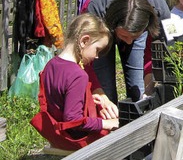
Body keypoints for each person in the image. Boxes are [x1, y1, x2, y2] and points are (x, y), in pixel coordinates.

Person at [31, 13, 119, 151]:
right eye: (97, 50)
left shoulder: (51, 64)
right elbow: (73, 120)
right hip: (76, 139)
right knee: (121, 145)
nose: (96, 56)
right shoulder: (78, 75)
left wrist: (88, 99)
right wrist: (106, 123)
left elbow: (59, 100)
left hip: (56, 134)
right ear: (84, 41)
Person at [85, 0, 171, 110]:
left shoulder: (161, 13)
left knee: (138, 89)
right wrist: (99, 93)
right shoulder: (94, 11)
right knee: (105, 88)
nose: (129, 41)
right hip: (102, 24)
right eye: (124, 36)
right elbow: (85, 59)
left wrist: (150, 83)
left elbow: (156, 53)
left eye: (134, 36)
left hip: (136, 21)